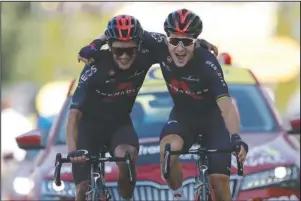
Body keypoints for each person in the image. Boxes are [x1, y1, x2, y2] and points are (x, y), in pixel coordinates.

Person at [76, 9, 248, 201]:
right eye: (174, 41)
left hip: (214, 121)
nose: (180, 49)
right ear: (167, 40)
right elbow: (121, 29)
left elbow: (226, 106)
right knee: (168, 153)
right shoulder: (158, 45)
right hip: (183, 118)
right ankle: (178, 196)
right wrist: (95, 44)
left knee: (219, 182)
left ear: (195, 42)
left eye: (187, 42)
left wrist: (236, 137)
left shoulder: (208, 62)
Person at [66, 15, 159, 201]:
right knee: (83, 190)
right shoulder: (95, 65)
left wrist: (201, 44)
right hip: (89, 128)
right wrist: (72, 152)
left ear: (139, 47)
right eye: (118, 51)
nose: (124, 56)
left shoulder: (146, 56)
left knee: (127, 157)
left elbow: (176, 42)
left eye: (130, 51)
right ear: (109, 47)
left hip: (119, 125)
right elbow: (74, 115)